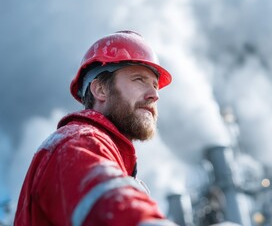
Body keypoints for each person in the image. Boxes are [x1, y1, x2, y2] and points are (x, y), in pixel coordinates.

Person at [14, 30, 177, 226]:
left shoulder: (105, 152)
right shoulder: (76, 142)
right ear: (100, 90)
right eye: (139, 79)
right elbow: (118, 212)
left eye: (155, 85)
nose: (154, 94)